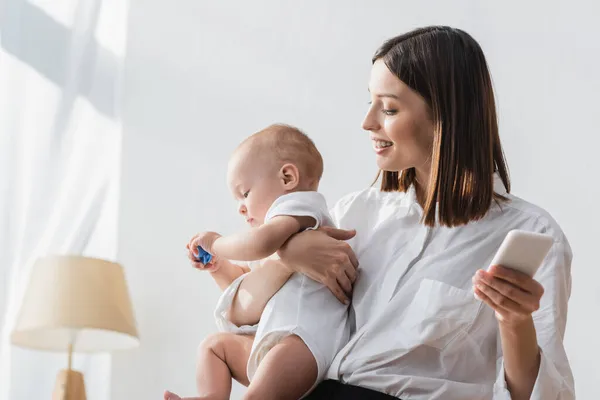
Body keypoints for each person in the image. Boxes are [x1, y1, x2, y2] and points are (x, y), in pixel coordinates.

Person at [207, 26, 575, 400]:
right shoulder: (354, 214)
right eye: (369, 102)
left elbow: (543, 395)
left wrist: (515, 322)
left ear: (446, 115)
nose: (367, 123)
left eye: (388, 108)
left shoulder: (531, 232)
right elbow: (240, 315)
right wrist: (287, 258)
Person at [165, 124, 350, 400]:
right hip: (271, 339)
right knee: (213, 346)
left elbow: (259, 244)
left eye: (245, 193)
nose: (240, 207)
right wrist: (220, 267)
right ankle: (212, 396)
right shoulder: (279, 232)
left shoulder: (301, 207)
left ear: (288, 177)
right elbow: (246, 293)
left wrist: (217, 243)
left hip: (305, 342)